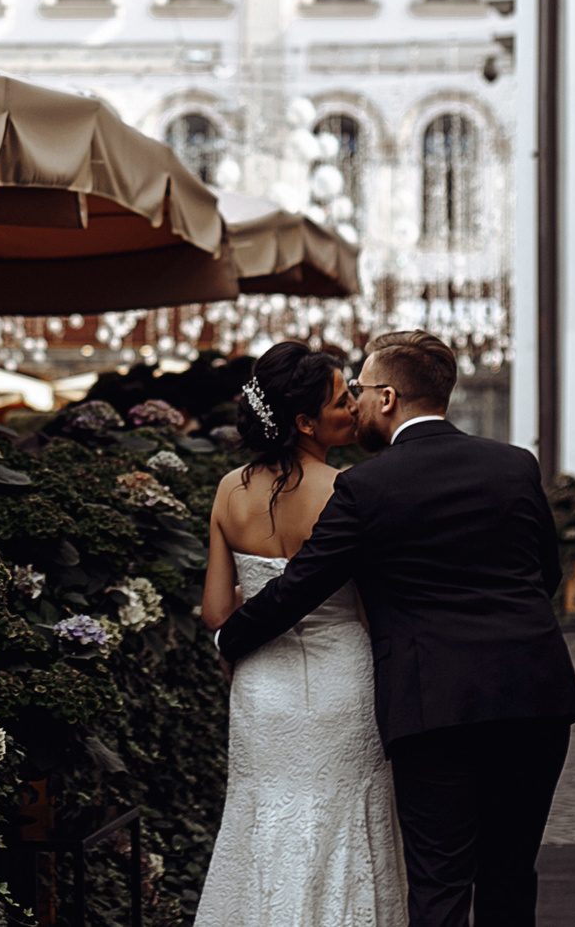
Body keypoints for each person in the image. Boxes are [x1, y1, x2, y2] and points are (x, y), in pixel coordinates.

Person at [213, 330, 575, 927]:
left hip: (433, 705)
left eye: (357, 390)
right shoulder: (515, 464)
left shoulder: (366, 486)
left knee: (438, 884)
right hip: (533, 696)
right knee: (510, 874)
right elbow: (546, 573)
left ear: (387, 398)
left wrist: (226, 639)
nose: (353, 403)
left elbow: (298, 589)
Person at [193, 341, 406, 926]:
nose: (353, 409)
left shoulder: (229, 490)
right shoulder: (348, 489)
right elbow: (371, 603)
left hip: (262, 685)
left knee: (262, 816)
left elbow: (216, 613)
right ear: (304, 422)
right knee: (345, 818)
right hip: (343, 678)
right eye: (341, 401)